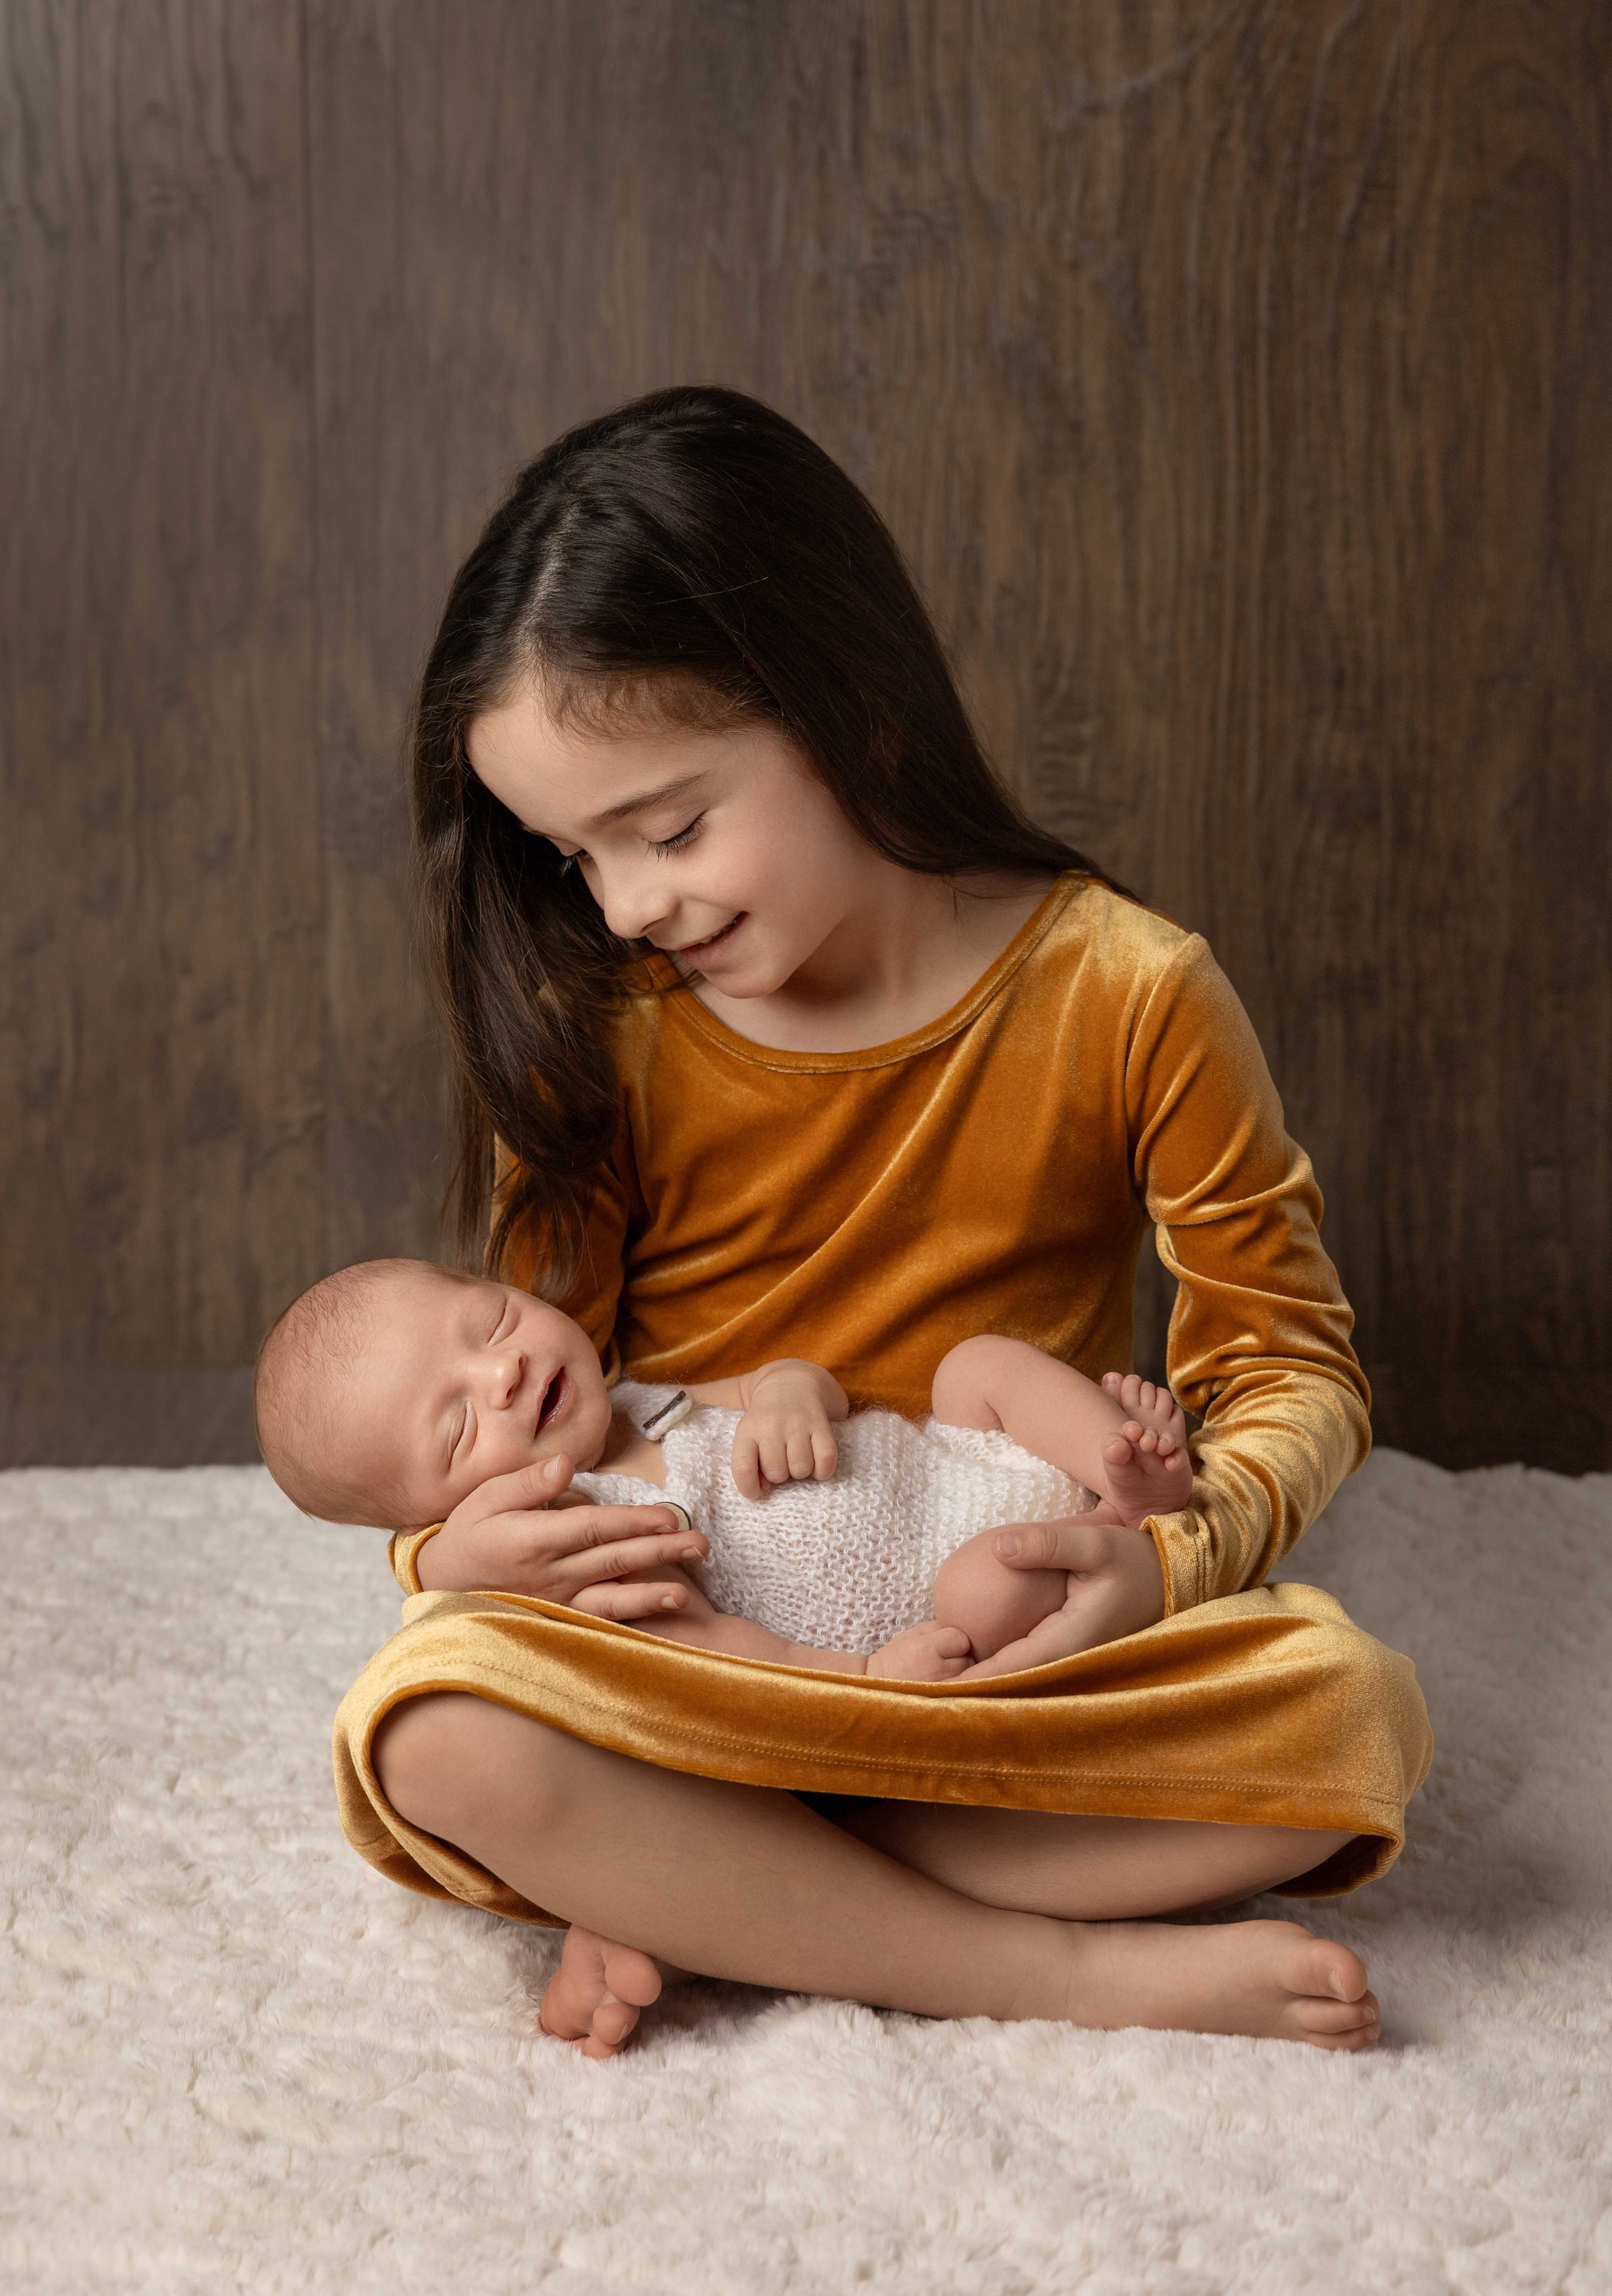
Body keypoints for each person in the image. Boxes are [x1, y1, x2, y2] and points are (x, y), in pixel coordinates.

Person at [327, 385, 1431, 2062]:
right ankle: (1050, 1966)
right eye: (575, 857)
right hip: (702, 1655)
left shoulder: (1129, 990)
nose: (626, 905)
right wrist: (449, 1554)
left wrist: (1164, 1564)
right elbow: (520, 1394)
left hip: (990, 1649)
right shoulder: (602, 1029)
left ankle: (712, 1882)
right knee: (426, 1735)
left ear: (854, 712)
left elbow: (1291, 1364)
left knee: (1354, 1720)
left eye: (673, 826)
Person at [255, 1254, 1195, 1679]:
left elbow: (794, 1379)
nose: (502, 1371)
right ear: (444, 1516)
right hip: (939, 1589)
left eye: (493, 1320)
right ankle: (1107, 1538)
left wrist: (789, 1397)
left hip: (956, 1460)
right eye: (459, 1426)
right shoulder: (589, 1537)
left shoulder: (641, 1399)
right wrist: (866, 1674)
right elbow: (718, 1651)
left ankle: (1123, 1472)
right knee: (988, 1585)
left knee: (975, 1365)